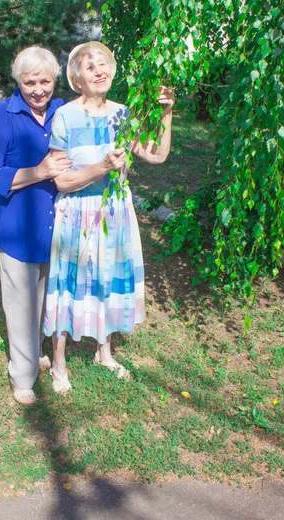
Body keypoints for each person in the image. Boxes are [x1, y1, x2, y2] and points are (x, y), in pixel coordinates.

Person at [43, 41, 175, 393]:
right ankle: (59, 362)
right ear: (76, 79)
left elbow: (157, 155)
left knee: (106, 278)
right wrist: (100, 167)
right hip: (77, 211)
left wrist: (166, 113)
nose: (99, 70)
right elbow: (62, 180)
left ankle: (104, 351)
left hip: (115, 210)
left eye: (104, 64)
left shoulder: (124, 114)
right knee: (69, 283)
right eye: (90, 67)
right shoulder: (65, 117)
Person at [0, 46, 72, 405]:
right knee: (21, 304)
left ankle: (34, 354)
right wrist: (40, 172)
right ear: (18, 82)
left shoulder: (65, 110)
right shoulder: (3, 113)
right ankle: (22, 375)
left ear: (55, 79)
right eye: (29, 82)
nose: (37, 89)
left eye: (45, 81)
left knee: (45, 298)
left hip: (58, 223)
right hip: (17, 225)